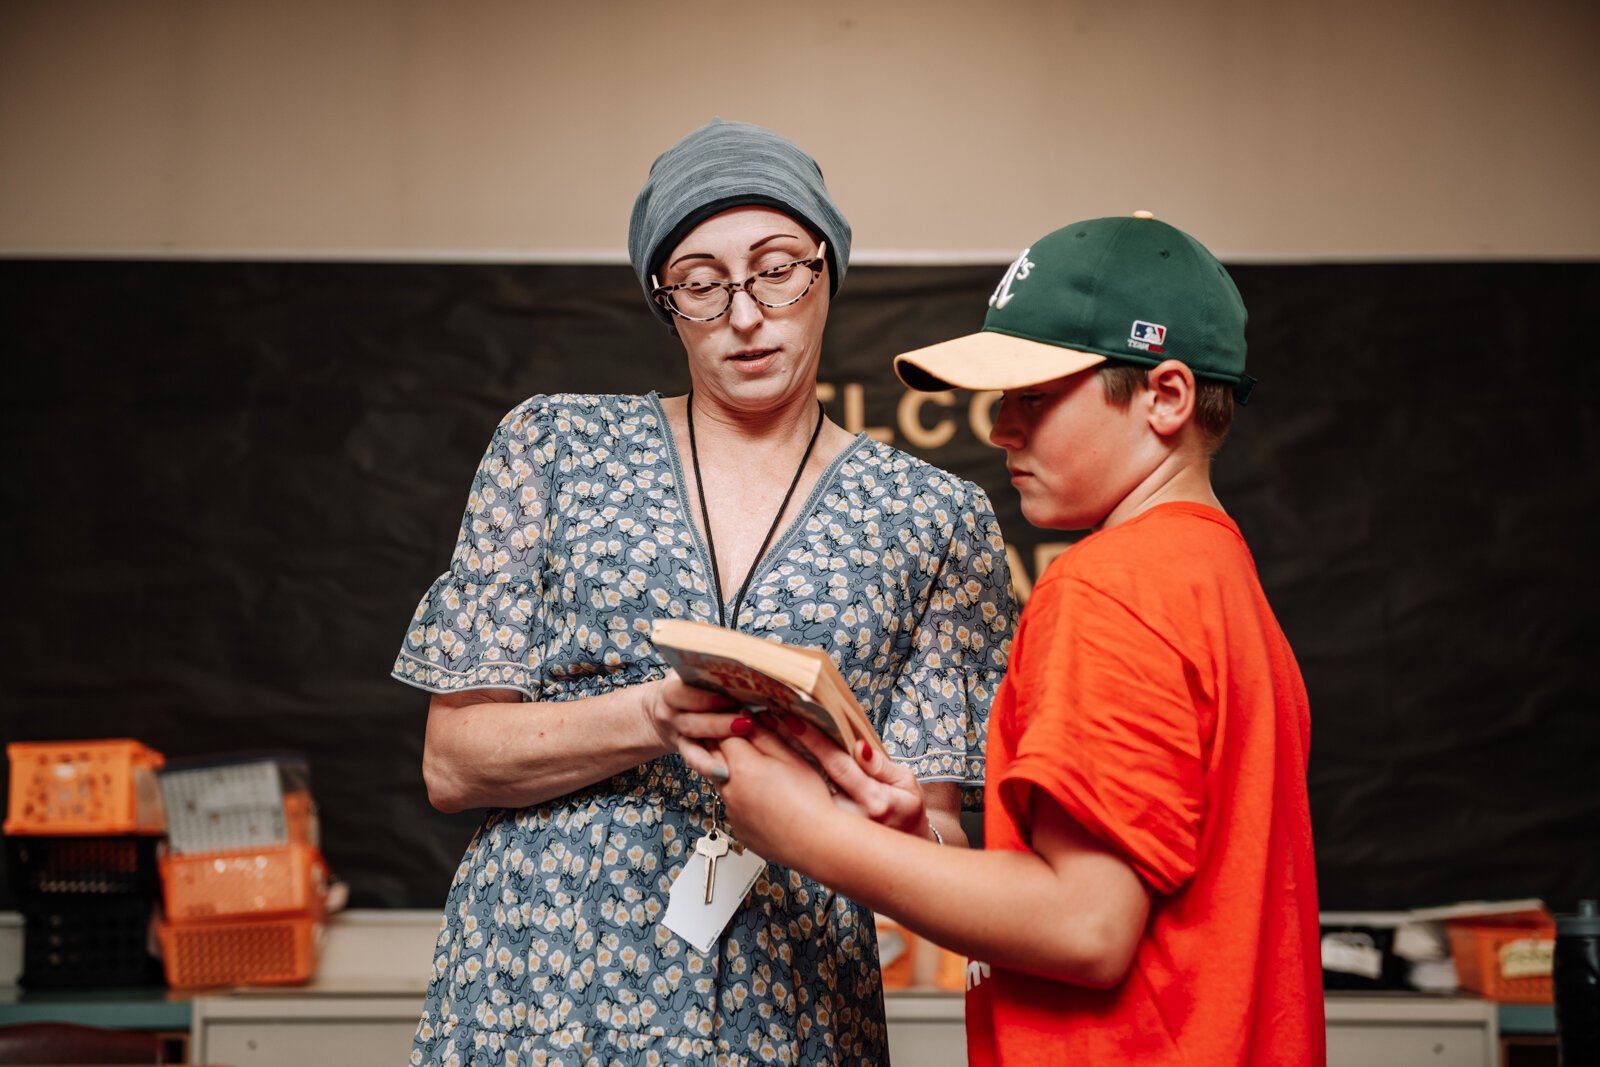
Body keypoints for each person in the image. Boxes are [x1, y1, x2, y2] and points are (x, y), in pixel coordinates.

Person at [390, 118, 1016, 1066]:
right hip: (538, 993)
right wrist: (653, 715)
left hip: (790, 1006)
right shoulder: (553, 448)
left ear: (826, 270)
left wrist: (897, 826)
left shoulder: (932, 517)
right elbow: (453, 761)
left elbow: (935, 835)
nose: (746, 312)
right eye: (700, 282)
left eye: (775, 269)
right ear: (665, 301)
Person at [696, 213, 1326, 1064]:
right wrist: (910, 840)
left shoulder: (1108, 586)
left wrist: (809, 835)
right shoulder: (1220, 582)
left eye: (1034, 396)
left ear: (1166, 397)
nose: (1000, 429)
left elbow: (1087, 924)